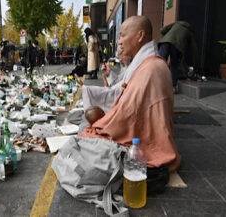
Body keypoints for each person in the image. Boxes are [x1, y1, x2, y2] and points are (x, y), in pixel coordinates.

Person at [80, 16, 180, 192]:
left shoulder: (150, 68)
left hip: (147, 141)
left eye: (122, 35)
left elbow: (128, 113)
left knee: (86, 141)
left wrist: (100, 126)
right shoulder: (148, 63)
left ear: (140, 36)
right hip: (143, 127)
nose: (119, 41)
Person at [157, 21, 197, 90]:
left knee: (160, 63)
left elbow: (162, 30)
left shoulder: (177, 23)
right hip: (177, 46)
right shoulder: (189, 31)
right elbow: (194, 48)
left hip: (165, 42)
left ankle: (156, 84)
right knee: (174, 65)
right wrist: (195, 63)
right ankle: (173, 87)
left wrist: (167, 35)